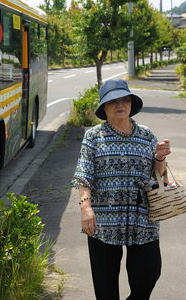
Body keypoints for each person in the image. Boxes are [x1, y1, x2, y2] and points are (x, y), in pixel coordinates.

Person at [72, 79, 171, 300]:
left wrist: (160, 158)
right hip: (104, 220)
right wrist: (85, 208)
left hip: (142, 218)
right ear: (104, 107)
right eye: (113, 101)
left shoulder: (146, 134)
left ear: (131, 104)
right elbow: (83, 174)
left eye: (125, 100)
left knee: (149, 273)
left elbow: (160, 176)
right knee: (105, 286)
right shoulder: (94, 136)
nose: (120, 105)